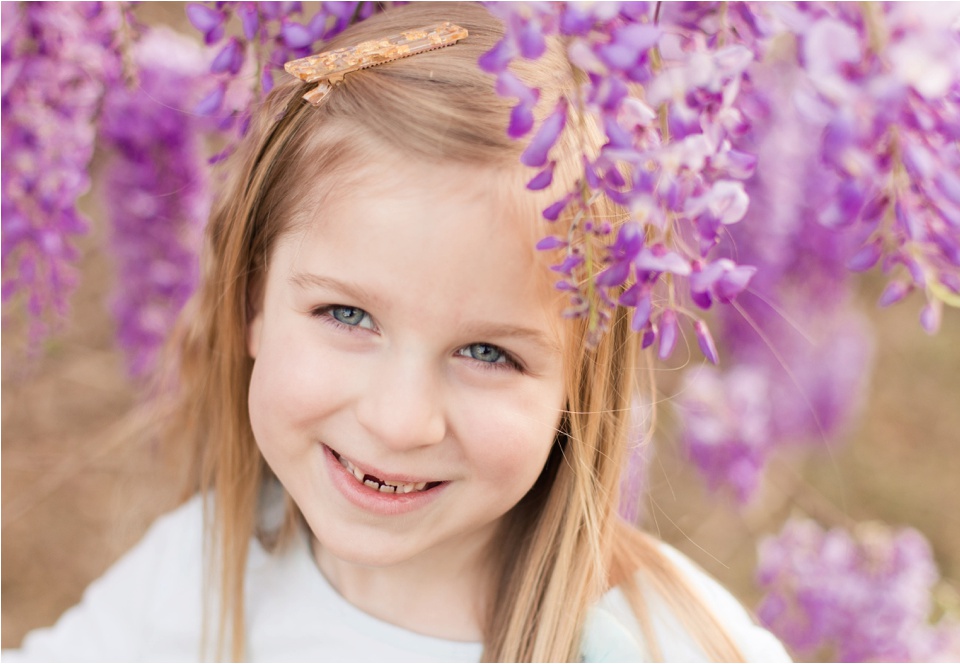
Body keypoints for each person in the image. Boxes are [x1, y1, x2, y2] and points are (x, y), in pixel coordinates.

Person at [5, 3, 790, 662]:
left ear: (580, 386)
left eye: (487, 353)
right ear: (250, 303)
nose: (398, 420)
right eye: (347, 315)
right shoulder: (198, 572)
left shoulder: (665, 644)